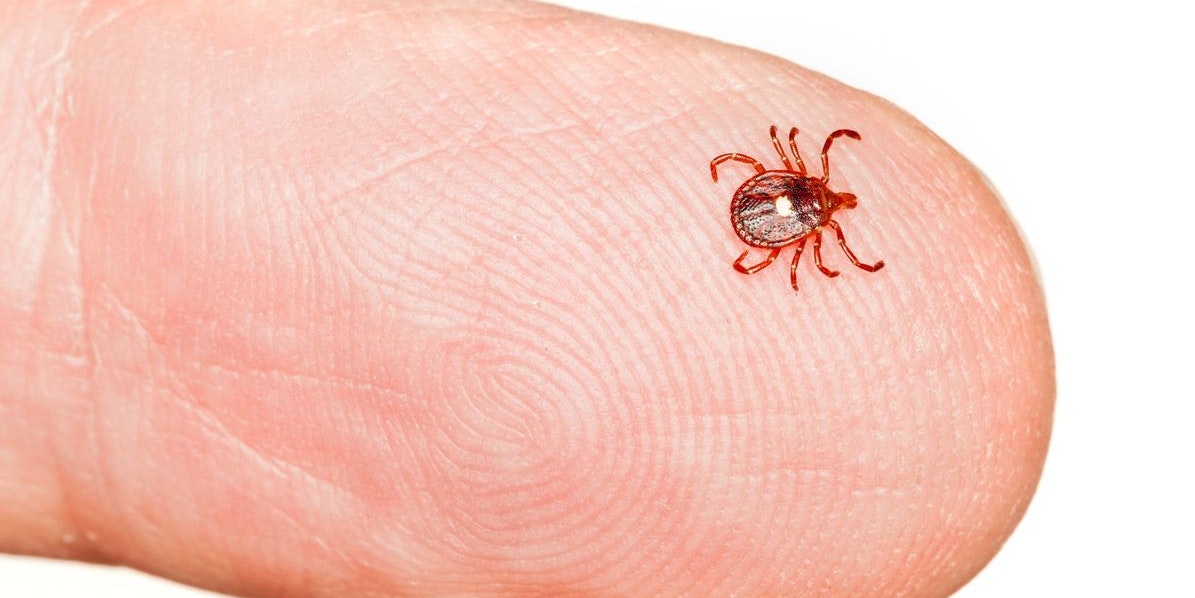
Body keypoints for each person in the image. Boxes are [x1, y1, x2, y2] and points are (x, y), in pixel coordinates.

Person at [0, 1, 1053, 595]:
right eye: (821, 194)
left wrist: (783, 215)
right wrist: (801, 233)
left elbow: (769, 206)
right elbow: (785, 231)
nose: (819, 200)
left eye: (818, 201)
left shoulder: (791, 194)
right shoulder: (802, 209)